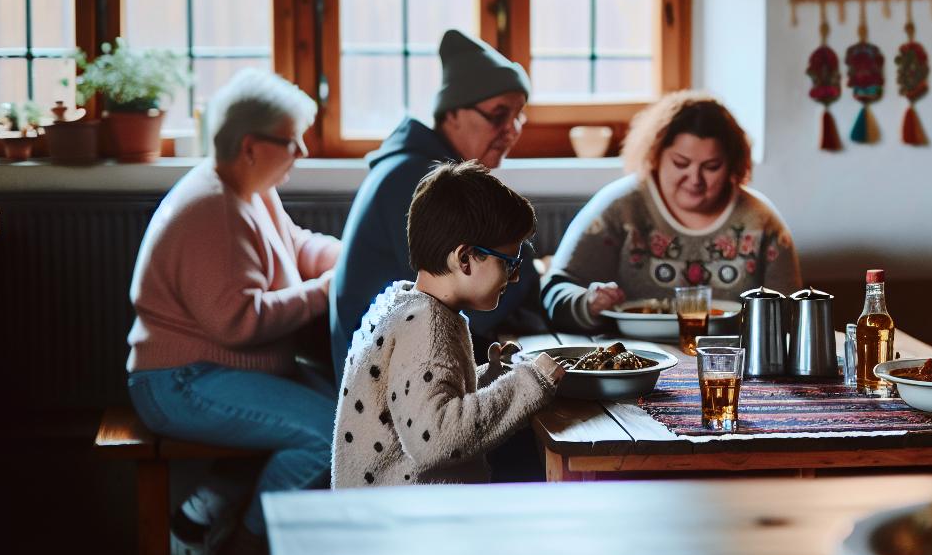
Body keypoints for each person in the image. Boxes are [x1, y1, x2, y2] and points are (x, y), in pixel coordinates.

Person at [125, 68, 339, 555]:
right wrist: (325, 291)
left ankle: (198, 524)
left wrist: (348, 257)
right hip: (181, 381)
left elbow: (295, 245)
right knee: (326, 433)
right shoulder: (213, 209)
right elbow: (238, 322)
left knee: (344, 408)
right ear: (250, 146)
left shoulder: (249, 189)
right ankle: (254, 543)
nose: (302, 151)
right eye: (291, 141)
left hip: (216, 373)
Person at [333, 161, 564, 487]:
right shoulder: (425, 326)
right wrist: (526, 385)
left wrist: (490, 378)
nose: (514, 278)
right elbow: (435, 438)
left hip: (386, 506)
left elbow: (417, 397)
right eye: (509, 263)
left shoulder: (405, 306)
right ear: (465, 258)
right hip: (408, 513)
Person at [330, 29, 538, 381]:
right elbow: (478, 304)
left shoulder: (424, 170)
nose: (511, 130)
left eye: (518, 116)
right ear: (452, 114)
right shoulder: (420, 181)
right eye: (498, 115)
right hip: (384, 388)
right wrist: (526, 273)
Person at [544, 92, 801, 331]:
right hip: (632, 357)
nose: (695, 179)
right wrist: (588, 303)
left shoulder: (762, 221)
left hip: (730, 362)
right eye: (681, 163)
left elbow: (788, 316)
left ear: (733, 164)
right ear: (655, 155)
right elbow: (554, 293)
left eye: (711, 166)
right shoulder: (620, 208)